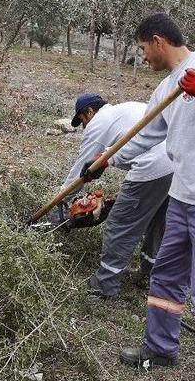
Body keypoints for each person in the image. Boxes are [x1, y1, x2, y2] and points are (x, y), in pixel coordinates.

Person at [81, 12, 195, 380]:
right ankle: (160, 348)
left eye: (142, 49)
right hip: (182, 198)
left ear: (157, 41)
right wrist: (106, 161)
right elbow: (145, 133)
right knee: (165, 277)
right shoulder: (164, 88)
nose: (143, 57)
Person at [62, 93, 174, 298]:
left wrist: (61, 199)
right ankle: (149, 275)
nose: (84, 127)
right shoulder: (125, 109)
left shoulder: (97, 124)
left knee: (120, 224)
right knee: (157, 222)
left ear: (90, 112)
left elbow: (80, 170)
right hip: (176, 163)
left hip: (153, 166)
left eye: (83, 121)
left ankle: (104, 284)